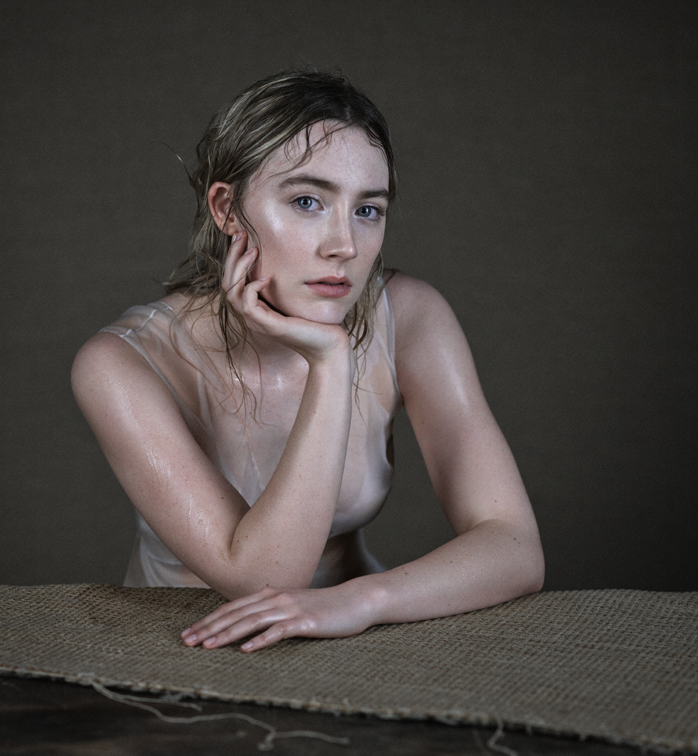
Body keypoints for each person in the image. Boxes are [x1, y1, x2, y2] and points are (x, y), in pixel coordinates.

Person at [71, 69, 544, 654]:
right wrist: (332, 362)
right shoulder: (122, 363)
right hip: (186, 646)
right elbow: (263, 580)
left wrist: (364, 600)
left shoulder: (412, 316)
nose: (344, 245)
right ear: (227, 209)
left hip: (354, 639)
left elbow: (514, 545)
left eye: (368, 210)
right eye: (306, 201)